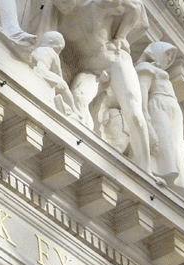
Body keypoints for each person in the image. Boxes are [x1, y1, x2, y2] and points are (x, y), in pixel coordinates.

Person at [54, 0, 152, 175]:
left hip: (114, 59)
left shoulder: (97, 3)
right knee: (78, 97)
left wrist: (121, 36)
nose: (62, 5)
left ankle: (147, 170)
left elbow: (136, 7)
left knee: (135, 114)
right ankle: (83, 145)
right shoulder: (57, 15)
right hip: (90, 67)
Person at [136, 42, 184, 197]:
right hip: (158, 105)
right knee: (163, 141)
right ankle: (157, 172)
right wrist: (145, 114)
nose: (168, 59)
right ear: (156, 52)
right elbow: (142, 90)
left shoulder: (158, 71)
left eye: (171, 57)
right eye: (167, 54)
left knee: (174, 146)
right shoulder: (146, 68)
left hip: (172, 111)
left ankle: (171, 181)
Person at [30, 32, 81, 121]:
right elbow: (58, 74)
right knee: (64, 87)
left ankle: (61, 103)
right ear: (57, 48)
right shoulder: (52, 53)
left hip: (35, 70)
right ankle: (73, 109)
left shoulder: (37, 50)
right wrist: (61, 86)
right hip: (44, 71)